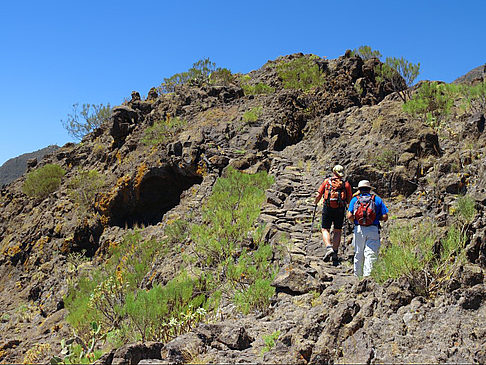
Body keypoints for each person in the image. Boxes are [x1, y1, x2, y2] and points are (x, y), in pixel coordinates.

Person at [346, 180, 389, 277]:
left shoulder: (355, 200)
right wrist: (377, 218)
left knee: (358, 253)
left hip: (359, 229)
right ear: (369, 189)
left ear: (359, 190)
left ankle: (357, 277)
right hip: (373, 229)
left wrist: (356, 221)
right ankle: (368, 277)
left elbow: (349, 216)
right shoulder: (376, 199)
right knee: (371, 253)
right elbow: (385, 217)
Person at [314, 165, 352, 262]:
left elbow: (318, 195)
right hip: (340, 209)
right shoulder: (346, 184)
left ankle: (328, 247)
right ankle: (335, 252)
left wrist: (315, 202)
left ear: (334, 172)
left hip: (328, 207)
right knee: (337, 230)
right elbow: (349, 200)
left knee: (325, 229)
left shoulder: (327, 182)